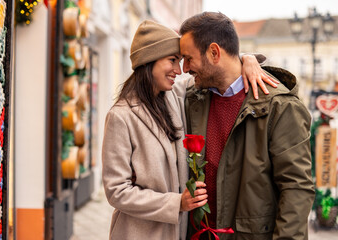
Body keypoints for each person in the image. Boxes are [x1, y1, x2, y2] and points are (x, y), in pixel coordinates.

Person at [102, 20, 273, 240]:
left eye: (182, 60)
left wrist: (246, 60)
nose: (179, 70)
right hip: (139, 233)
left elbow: (220, 66)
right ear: (148, 61)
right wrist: (176, 203)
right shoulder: (121, 116)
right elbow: (116, 191)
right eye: (173, 60)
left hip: (178, 233)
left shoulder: (176, 96)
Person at [178, 12, 315, 240]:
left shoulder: (280, 107)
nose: (184, 68)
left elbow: (296, 189)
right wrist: (246, 58)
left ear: (214, 53)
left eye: (188, 58)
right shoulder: (192, 99)